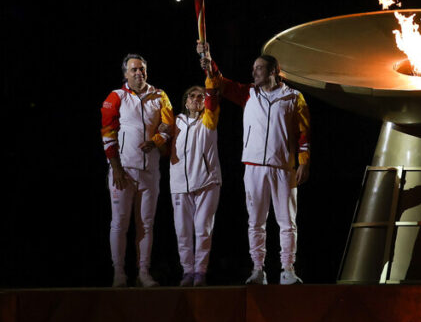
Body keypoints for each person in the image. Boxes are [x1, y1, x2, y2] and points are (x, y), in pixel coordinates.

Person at [198, 41, 310, 285]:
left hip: (283, 167)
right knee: (256, 222)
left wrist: (303, 162)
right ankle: (258, 270)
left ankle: (287, 269)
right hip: (254, 167)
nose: (254, 72)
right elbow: (220, 82)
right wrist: (208, 58)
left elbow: (303, 133)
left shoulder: (293, 97)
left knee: (287, 222)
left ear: (273, 71)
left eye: (259, 68)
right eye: (253, 68)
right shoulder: (248, 93)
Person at [101, 54, 174, 287]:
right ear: (125, 74)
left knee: (146, 223)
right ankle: (119, 273)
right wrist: (116, 169)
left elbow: (167, 124)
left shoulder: (160, 95)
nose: (138, 73)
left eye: (141, 69)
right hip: (123, 171)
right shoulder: (116, 97)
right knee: (120, 223)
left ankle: (143, 272)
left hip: (150, 171)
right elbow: (107, 133)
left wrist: (156, 140)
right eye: (133, 70)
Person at [165, 57, 222, 286]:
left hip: (207, 183)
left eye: (200, 96)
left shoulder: (209, 120)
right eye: (192, 96)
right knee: (182, 232)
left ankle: (200, 272)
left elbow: (213, 94)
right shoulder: (175, 122)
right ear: (185, 102)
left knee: (202, 230)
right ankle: (187, 272)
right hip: (179, 185)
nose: (197, 99)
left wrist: (208, 69)